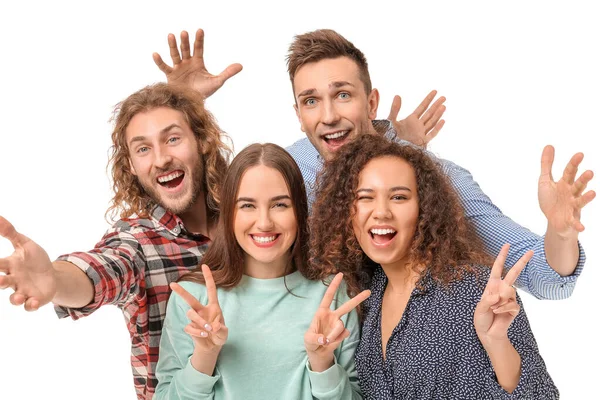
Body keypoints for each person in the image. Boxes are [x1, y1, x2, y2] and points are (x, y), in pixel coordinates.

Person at [155, 28, 594, 300]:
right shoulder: (294, 163)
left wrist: (558, 232)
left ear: (372, 101)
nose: (328, 115)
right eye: (312, 101)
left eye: (342, 95)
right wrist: (185, 107)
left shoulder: (436, 179)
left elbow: (544, 274)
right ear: (298, 113)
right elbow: (210, 206)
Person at [0, 83, 232, 399]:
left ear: (202, 142)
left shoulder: (247, 222)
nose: (161, 159)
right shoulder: (138, 242)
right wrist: (53, 278)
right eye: (143, 148)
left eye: (173, 139)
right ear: (132, 167)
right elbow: (107, 267)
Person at [309, 134, 559, 398]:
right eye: (365, 197)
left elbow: (539, 395)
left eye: (399, 197)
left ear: (425, 209)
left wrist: (497, 342)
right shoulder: (371, 295)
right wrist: (322, 360)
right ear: (346, 212)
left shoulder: (474, 287)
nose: (381, 211)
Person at [154, 143, 368, 399]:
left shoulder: (332, 296)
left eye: (280, 205)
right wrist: (205, 355)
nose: (264, 222)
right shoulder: (192, 299)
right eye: (247, 206)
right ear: (229, 214)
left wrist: (323, 364)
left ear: (299, 211)